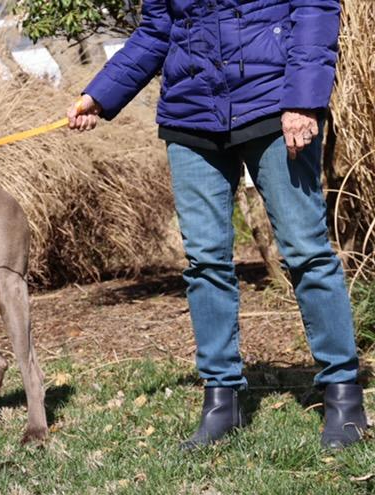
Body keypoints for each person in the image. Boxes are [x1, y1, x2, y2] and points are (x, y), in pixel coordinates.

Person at [68, 0, 368, 449]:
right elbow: (157, 30)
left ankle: (344, 395)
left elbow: (314, 8)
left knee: (306, 251)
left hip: (274, 103)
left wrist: (303, 100)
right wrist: (100, 94)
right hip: (190, 115)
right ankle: (221, 401)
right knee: (205, 261)